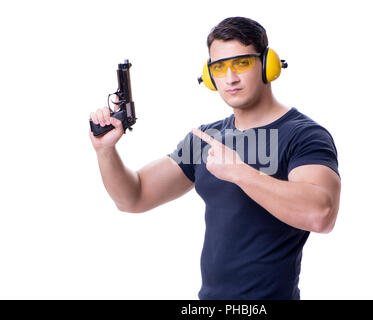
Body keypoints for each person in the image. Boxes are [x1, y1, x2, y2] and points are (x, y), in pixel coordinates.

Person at [89, 16, 341, 300]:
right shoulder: (206, 138)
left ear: (268, 65)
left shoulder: (303, 135)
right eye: (219, 67)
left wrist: (241, 173)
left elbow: (321, 214)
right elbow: (133, 198)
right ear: (209, 76)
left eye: (242, 63)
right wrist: (105, 151)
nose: (230, 78)